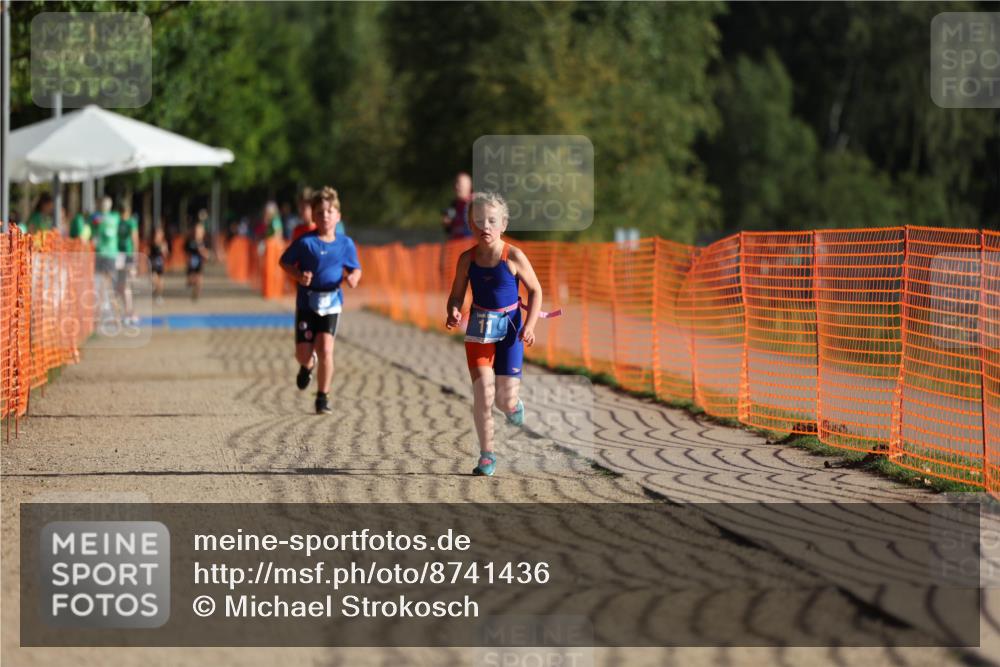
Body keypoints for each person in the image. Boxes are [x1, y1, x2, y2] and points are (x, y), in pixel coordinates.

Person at [445, 192, 544, 477]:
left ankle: (513, 406)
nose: (485, 226)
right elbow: (455, 296)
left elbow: (536, 290)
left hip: (511, 329)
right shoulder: (467, 259)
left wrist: (530, 325)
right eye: (478, 221)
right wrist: (453, 311)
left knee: (503, 400)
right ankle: (487, 455)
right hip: (479, 329)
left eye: (491, 220)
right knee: (483, 395)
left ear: (503, 223)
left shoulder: (513, 256)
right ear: (470, 225)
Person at [279, 186, 361, 415]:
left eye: (329, 211)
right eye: (320, 212)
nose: (325, 215)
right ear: (313, 216)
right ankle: (307, 365)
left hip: (332, 301)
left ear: (338, 216)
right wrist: (298, 275)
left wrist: (354, 276)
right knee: (302, 354)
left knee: (326, 348)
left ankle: (322, 397)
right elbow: (284, 262)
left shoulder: (345, 244)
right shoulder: (305, 242)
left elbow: (356, 268)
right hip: (307, 301)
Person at [92, 196, 122, 319]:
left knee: (105, 284)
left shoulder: (100, 217)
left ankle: (108, 311)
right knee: (105, 284)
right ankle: (110, 312)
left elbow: (94, 222)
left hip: (106, 255)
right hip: (106, 255)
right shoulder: (113, 217)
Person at [117, 202, 140, 324]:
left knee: (127, 284)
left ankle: (131, 312)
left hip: (129, 255)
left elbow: (135, 238)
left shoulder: (131, 222)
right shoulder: (118, 221)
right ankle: (128, 311)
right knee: (121, 286)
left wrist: (136, 256)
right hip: (119, 255)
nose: (123, 215)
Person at [442, 172, 474, 240]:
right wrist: (447, 224)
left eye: (459, 184)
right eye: (455, 184)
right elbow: (449, 230)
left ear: (469, 186)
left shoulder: (477, 204)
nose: (456, 187)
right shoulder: (453, 205)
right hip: (456, 246)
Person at [185, 222, 210, 301]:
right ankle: (191, 284)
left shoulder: (204, 242)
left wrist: (202, 251)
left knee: (199, 280)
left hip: (199, 264)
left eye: (201, 231)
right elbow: (186, 252)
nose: (199, 233)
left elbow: (207, 255)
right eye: (197, 231)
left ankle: (196, 295)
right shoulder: (190, 241)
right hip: (191, 264)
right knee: (191, 281)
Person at [149, 226, 168, 304]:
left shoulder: (164, 243)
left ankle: (159, 296)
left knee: (161, 282)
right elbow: (148, 253)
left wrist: (163, 249)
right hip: (153, 265)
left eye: (159, 234)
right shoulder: (151, 243)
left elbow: (165, 255)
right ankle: (154, 287)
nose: (158, 236)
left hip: (160, 265)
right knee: (154, 279)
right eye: (157, 234)